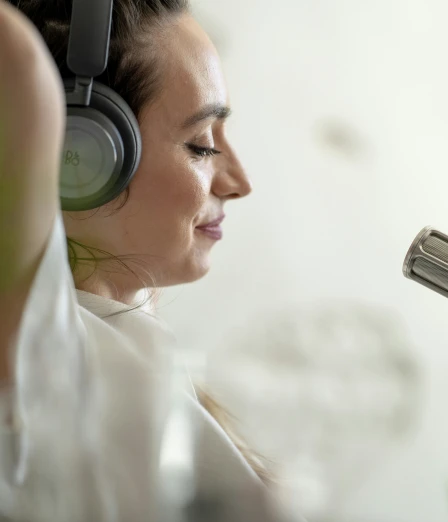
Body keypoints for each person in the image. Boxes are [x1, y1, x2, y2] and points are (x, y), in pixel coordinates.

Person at [0, 0, 290, 520]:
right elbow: (13, 53)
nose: (239, 182)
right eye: (201, 145)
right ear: (80, 151)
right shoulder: (38, 345)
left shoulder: (137, 350)